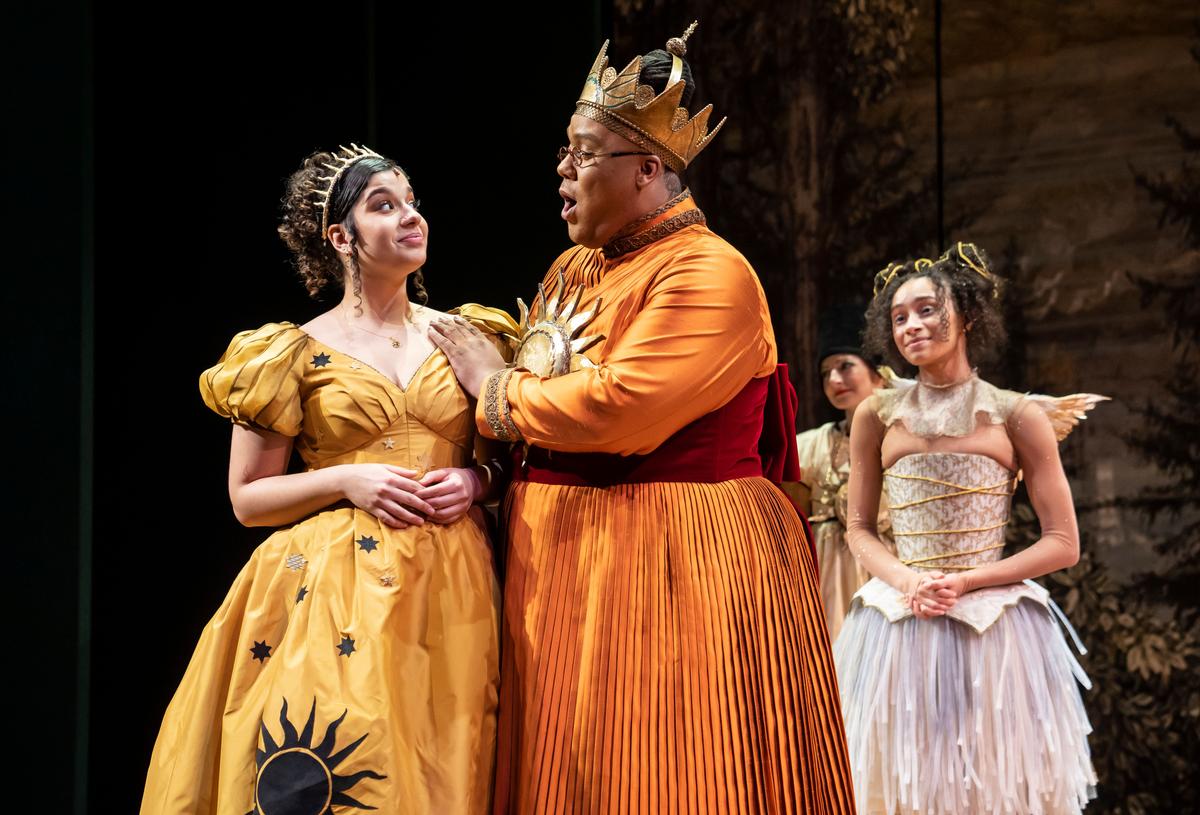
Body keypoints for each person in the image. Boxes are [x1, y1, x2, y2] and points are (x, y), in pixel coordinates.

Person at [428, 24, 856, 815]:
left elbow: (621, 408)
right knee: (570, 766)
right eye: (566, 149)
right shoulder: (573, 267)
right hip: (563, 557)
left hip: (674, 555)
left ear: (649, 169)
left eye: (584, 153)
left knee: (669, 765)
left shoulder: (709, 273)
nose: (562, 169)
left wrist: (495, 393)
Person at [141, 145, 503, 814]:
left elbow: (515, 459)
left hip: (454, 585)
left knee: (450, 770)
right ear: (341, 237)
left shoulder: (469, 336)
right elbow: (248, 498)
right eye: (383, 205)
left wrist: (479, 481)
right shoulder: (289, 352)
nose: (410, 216)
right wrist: (348, 481)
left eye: (412, 201)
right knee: (349, 765)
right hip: (336, 590)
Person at [835, 243, 1097, 814]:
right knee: (903, 779)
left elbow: (1063, 544)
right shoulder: (875, 415)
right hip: (901, 621)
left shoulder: (1016, 414)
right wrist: (907, 581)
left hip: (993, 624)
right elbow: (859, 528)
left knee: (989, 779)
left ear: (969, 316)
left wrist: (972, 581)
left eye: (928, 309)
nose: (913, 326)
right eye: (900, 317)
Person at [795, 304, 893, 642]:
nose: (834, 379)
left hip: (888, 580)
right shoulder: (812, 445)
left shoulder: (904, 443)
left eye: (845, 366)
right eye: (825, 372)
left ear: (878, 374)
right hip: (825, 585)